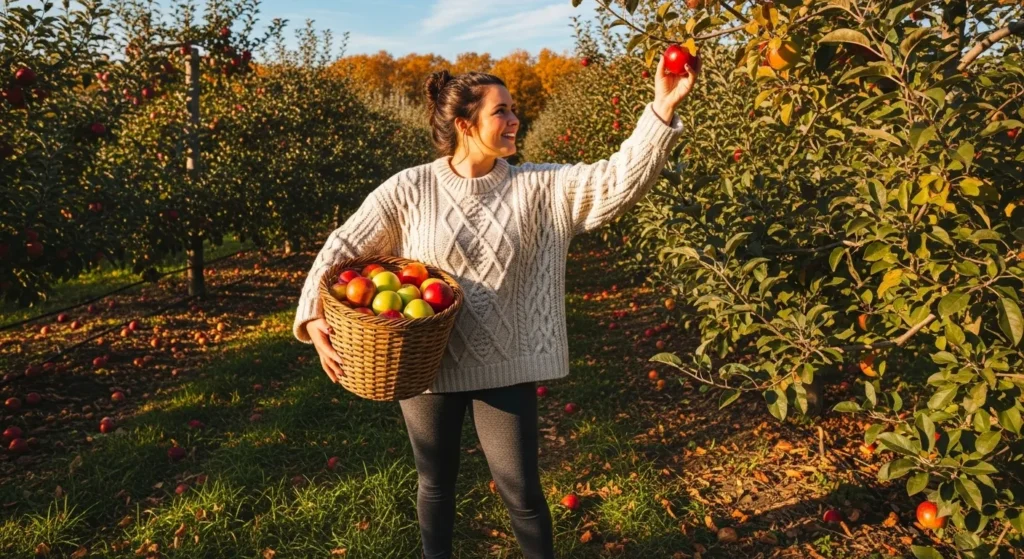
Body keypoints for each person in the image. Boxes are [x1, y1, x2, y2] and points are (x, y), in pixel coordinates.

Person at [292, 52, 696, 559]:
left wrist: (660, 110)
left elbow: (615, 181)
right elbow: (345, 246)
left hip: (504, 363)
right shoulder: (411, 188)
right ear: (465, 124)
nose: (513, 120)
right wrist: (312, 314)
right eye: (500, 111)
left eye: (513, 109)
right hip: (427, 367)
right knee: (435, 485)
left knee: (522, 492)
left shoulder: (538, 187)